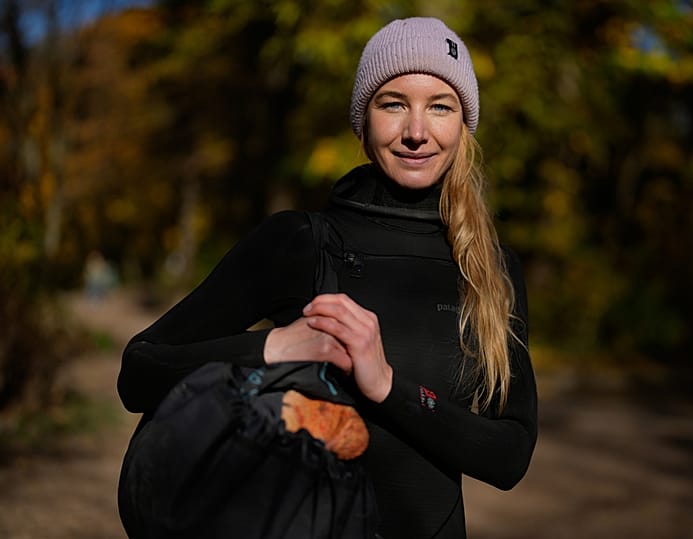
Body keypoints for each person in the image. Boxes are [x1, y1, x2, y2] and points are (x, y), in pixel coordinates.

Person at [118, 16, 538, 539]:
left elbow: (510, 456)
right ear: (363, 122)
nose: (416, 131)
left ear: (463, 124)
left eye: (440, 106)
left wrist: (388, 387)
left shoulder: (493, 270)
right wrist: (278, 346)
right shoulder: (298, 242)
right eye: (392, 104)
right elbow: (139, 372)